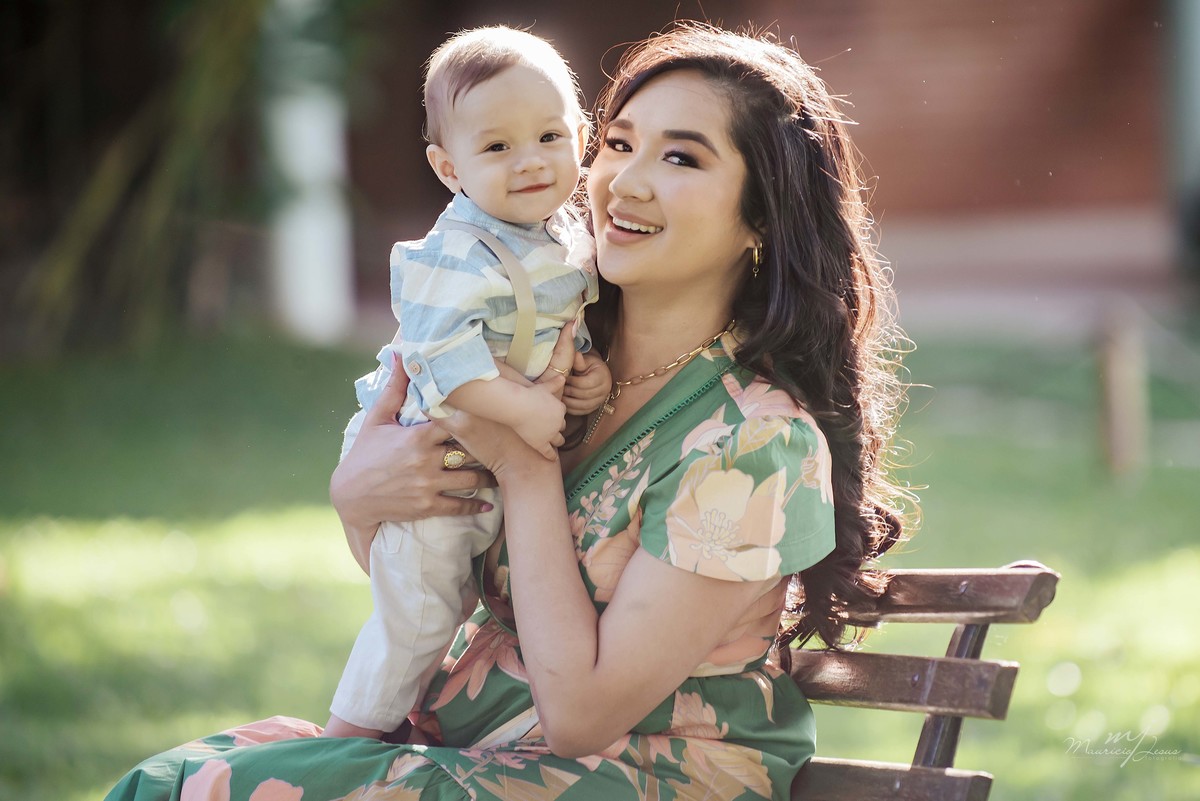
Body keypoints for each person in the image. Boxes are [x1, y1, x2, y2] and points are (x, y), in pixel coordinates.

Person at [105, 21, 907, 801]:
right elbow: (433, 573)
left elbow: (581, 717)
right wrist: (358, 492)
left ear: (762, 217)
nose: (625, 181)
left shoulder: (754, 442)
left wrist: (524, 467)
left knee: (217, 788)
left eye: (680, 157)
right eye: (618, 143)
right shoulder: (544, 350)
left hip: (636, 773)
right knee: (169, 781)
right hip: (475, 744)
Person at [324, 26, 612, 740]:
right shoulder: (456, 253)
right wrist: (521, 406)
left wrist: (587, 372)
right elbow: (439, 355)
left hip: (478, 456)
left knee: (445, 608)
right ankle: (343, 743)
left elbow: (563, 325)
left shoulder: (566, 237)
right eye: (497, 147)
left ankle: (398, 729)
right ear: (449, 168)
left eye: (549, 136)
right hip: (428, 443)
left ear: (581, 138)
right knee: (418, 616)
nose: (530, 160)